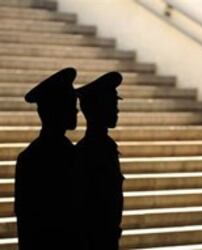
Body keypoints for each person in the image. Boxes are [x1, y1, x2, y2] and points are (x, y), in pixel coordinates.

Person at [14, 68, 81, 250]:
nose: (76, 111)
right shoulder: (35, 159)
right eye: (70, 104)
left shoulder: (68, 153)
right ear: (55, 110)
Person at [75, 72, 124, 250]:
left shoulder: (105, 146)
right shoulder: (89, 150)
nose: (117, 110)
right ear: (97, 109)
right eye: (112, 104)